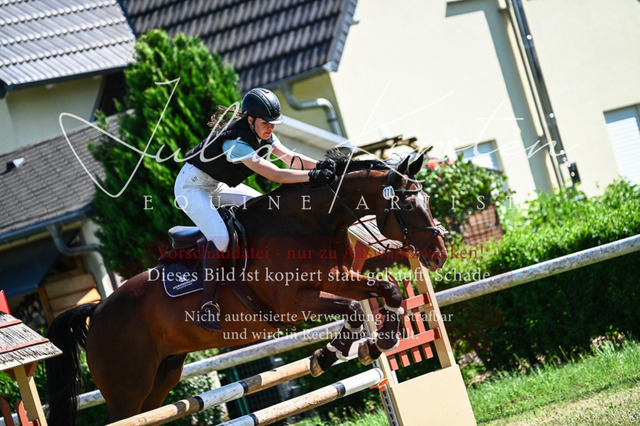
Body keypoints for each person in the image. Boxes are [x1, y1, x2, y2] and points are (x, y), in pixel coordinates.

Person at [175, 88, 336, 331]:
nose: (271, 128)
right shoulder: (235, 143)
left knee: (265, 208)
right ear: (251, 120)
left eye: (274, 123)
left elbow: (290, 158)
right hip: (191, 188)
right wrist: (313, 176)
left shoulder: (263, 133)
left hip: (215, 184)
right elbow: (276, 174)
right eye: (266, 123)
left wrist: (324, 165)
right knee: (221, 237)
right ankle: (208, 304)